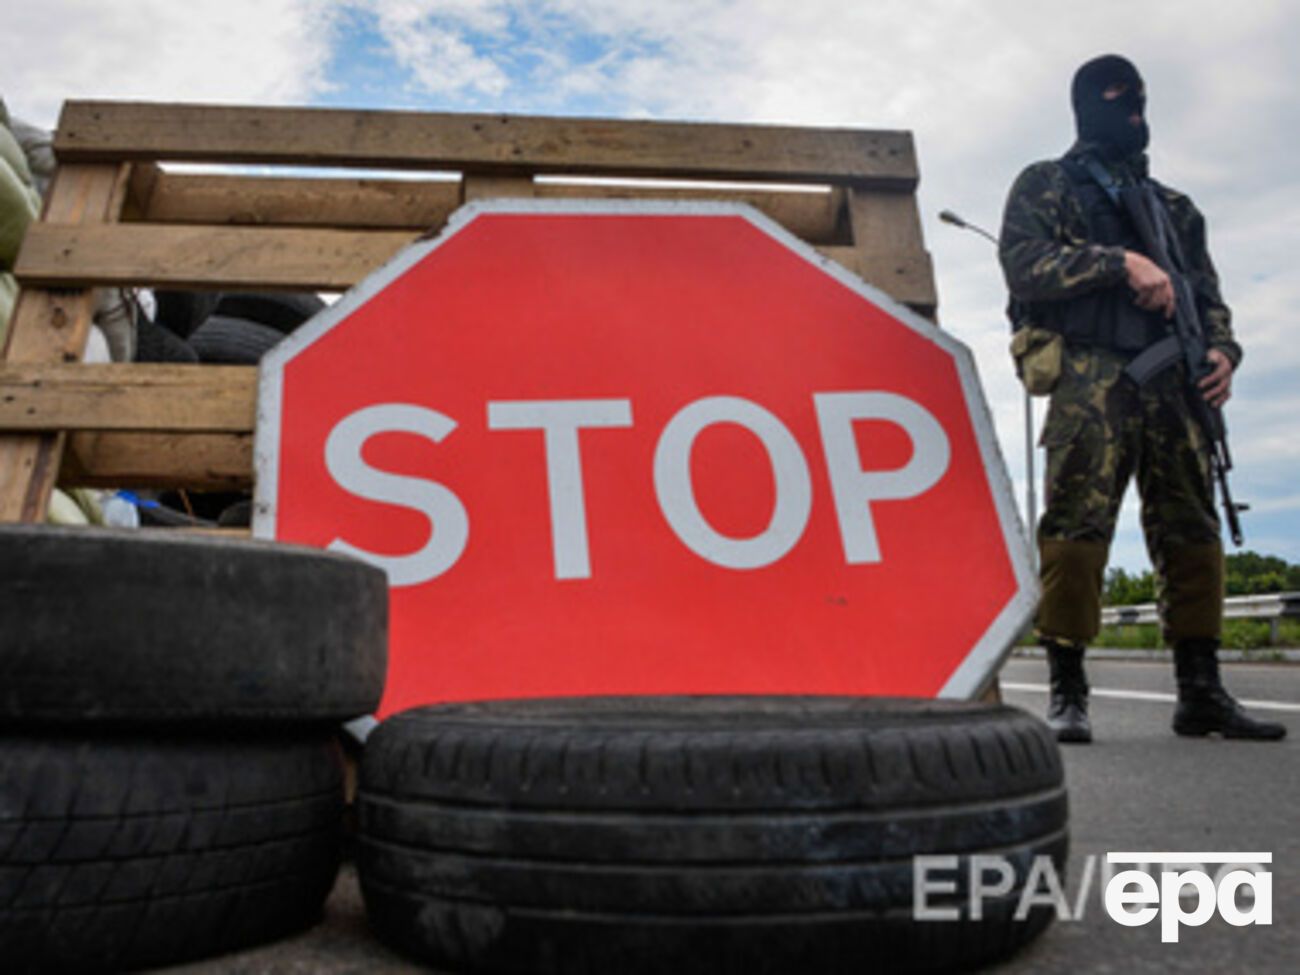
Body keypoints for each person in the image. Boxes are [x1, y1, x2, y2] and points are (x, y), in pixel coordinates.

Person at [998, 54, 1285, 743]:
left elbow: (1209, 298)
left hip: (1176, 382)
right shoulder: (1049, 183)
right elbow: (1023, 263)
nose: (1133, 112)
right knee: (1076, 523)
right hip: (1091, 375)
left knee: (1192, 527)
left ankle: (1202, 689)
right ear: (1087, 106)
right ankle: (1068, 688)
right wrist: (1117, 261)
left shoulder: (1177, 210)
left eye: (1140, 100)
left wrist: (1223, 352)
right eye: (1117, 98)